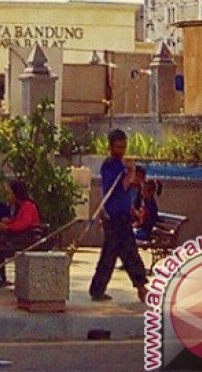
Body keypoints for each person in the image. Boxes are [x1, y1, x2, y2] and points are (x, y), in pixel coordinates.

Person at [89, 129, 148, 302]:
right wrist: (130, 173)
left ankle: (139, 286)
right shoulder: (108, 166)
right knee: (114, 254)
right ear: (111, 146)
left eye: (123, 146)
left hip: (123, 216)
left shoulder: (123, 164)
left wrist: (131, 209)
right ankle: (139, 287)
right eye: (118, 147)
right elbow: (119, 187)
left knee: (125, 252)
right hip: (113, 218)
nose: (121, 150)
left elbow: (127, 191)